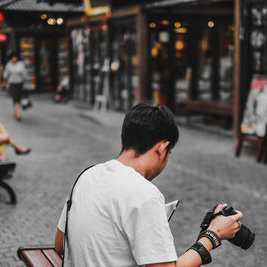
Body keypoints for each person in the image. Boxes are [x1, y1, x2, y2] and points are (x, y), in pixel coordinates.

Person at [55, 102, 244, 267]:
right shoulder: (144, 194)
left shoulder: (87, 175)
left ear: (123, 142)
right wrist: (213, 234)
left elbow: (59, 245)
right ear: (162, 149)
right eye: (170, 153)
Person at [1, 53, 27, 120]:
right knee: (15, 97)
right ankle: (17, 113)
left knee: (18, 97)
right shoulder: (9, 65)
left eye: (15, 57)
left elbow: (24, 74)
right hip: (12, 84)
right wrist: (4, 82)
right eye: (13, 58)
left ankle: (16, 109)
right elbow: (6, 74)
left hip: (20, 83)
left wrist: (25, 82)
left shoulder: (21, 64)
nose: (14, 59)